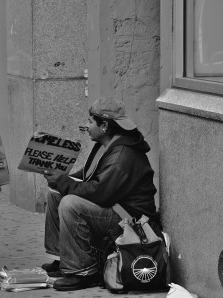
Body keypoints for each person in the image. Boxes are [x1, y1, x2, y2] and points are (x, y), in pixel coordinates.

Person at [41, 96, 158, 291]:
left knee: (70, 204)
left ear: (104, 125)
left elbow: (101, 192)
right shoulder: (106, 145)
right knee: (55, 196)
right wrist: (61, 178)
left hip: (130, 219)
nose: (86, 125)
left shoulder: (123, 154)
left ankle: (83, 272)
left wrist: (63, 182)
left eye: (90, 121)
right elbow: (89, 177)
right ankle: (65, 261)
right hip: (115, 207)